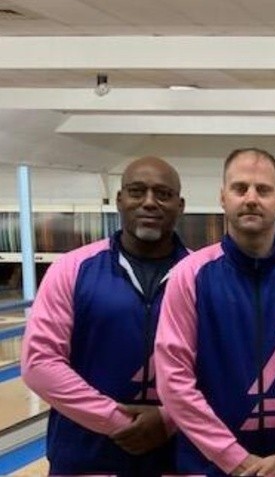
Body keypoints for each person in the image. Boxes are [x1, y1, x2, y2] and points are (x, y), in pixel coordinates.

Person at [154, 148, 275, 476]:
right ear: (223, 198)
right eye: (240, 189)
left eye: (263, 190)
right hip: (208, 466)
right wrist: (235, 459)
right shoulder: (189, 275)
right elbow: (174, 380)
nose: (251, 199)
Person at [22, 156, 189, 476]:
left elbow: (220, 368)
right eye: (137, 191)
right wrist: (116, 420)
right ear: (120, 200)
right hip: (86, 458)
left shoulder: (201, 275)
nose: (149, 202)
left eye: (163, 194)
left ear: (180, 206)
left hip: (176, 458)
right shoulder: (71, 269)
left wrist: (168, 419)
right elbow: (39, 363)